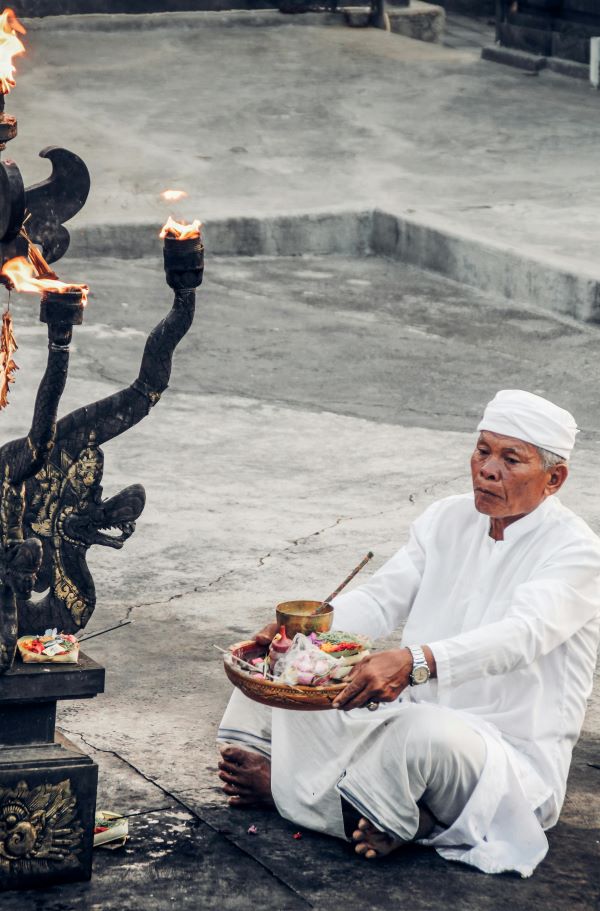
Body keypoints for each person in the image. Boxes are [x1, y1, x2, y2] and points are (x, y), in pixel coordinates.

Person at [217, 390, 600, 877]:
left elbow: (520, 635)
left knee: (422, 737)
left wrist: (416, 662)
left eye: (510, 459)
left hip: (502, 755)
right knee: (283, 673)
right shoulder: (447, 518)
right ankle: (383, 810)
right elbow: (381, 598)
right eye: (483, 451)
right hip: (406, 715)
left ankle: (297, 794)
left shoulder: (577, 552)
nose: (488, 469)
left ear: (554, 479)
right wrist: (304, 635)